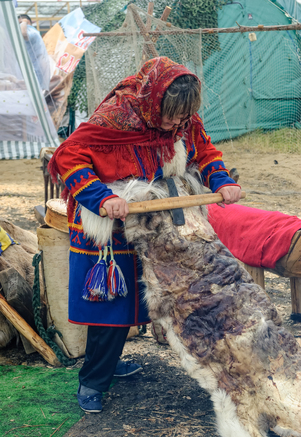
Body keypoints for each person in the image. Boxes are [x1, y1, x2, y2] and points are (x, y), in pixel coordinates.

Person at [49, 57, 241, 413]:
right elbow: (68, 158)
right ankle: (92, 380)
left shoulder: (183, 118)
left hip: (156, 223)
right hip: (111, 226)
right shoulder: (116, 116)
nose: (176, 124)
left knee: (145, 298)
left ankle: (107, 365)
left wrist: (223, 181)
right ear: (155, 102)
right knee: (111, 308)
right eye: (171, 116)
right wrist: (102, 197)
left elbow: (206, 151)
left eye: (182, 118)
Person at [18, 14, 50, 91]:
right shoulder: (35, 31)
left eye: (19, 23)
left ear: (27, 22)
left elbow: (25, 35)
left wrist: (23, 23)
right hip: (36, 69)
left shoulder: (31, 31)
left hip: (34, 71)